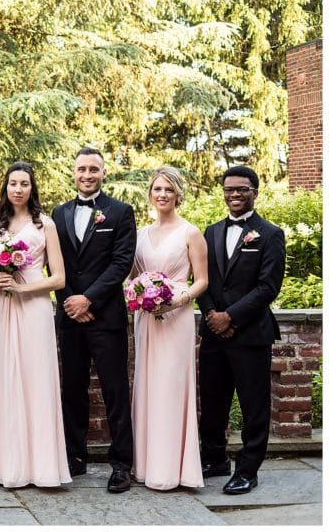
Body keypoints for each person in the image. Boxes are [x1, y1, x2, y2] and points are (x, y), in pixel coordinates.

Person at [0, 161, 70, 488]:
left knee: (36, 378)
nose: (18, 189)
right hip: (2, 309)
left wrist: (23, 288)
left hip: (33, 309)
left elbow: (59, 278)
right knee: (3, 379)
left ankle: (43, 467)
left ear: (32, 189)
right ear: (5, 188)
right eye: (12, 183)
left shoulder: (46, 225)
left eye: (24, 184)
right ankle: (4, 465)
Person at [197, 165, 285, 495]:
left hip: (250, 334)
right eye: (229, 189)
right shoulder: (210, 231)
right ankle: (214, 458)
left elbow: (268, 287)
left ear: (254, 192)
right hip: (213, 334)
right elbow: (201, 280)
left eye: (242, 189)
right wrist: (211, 315)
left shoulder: (270, 233)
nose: (234, 194)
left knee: (253, 404)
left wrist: (230, 317)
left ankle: (248, 469)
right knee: (213, 400)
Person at [52, 147, 136, 493]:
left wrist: (89, 299)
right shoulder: (58, 214)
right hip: (70, 316)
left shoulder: (120, 212)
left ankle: (121, 464)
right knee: (72, 390)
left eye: (93, 169)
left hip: (106, 317)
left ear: (104, 173)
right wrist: (71, 300)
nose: (87, 175)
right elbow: (53, 265)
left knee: (114, 390)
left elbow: (121, 262)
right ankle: (74, 456)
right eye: (81, 169)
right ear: (74, 173)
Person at [130, 167, 208, 490]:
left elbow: (202, 280)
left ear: (178, 194)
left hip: (177, 317)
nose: (162, 194)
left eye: (168, 189)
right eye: (157, 189)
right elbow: (133, 276)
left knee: (172, 387)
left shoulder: (190, 233)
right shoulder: (140, 235)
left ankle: (176, 469)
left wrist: (177, 300)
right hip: (147, 318)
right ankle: (147, 467)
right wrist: (136, 295)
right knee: (147, 385)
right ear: (150, 193)